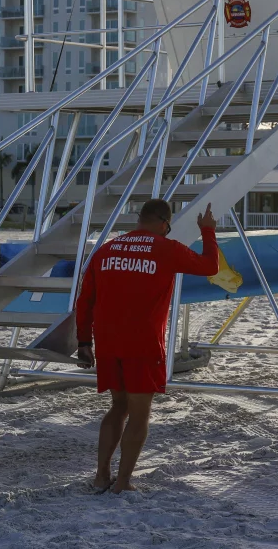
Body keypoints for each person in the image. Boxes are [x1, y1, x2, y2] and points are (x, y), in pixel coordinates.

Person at [75, 199, 219, 493]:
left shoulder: (106, 250)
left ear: (139, 219)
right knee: (140, 414)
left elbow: (85, 300)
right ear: (165, 224)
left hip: (107, 341)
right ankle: (123, 482)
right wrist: (207, 231)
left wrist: (83, 341)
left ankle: (101, 476)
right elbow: (210, 266)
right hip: (142, 343)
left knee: (118, 406)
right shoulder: (166, 248)